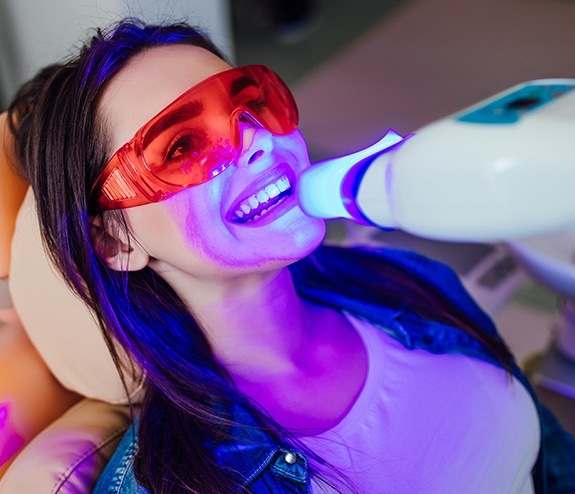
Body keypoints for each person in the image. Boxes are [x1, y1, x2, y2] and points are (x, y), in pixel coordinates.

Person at [7, 18, 575, 494]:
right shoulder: (173, 482)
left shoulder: (406, 278)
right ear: (116, 241)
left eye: (251, 103)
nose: (256, 140)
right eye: (182, 146)